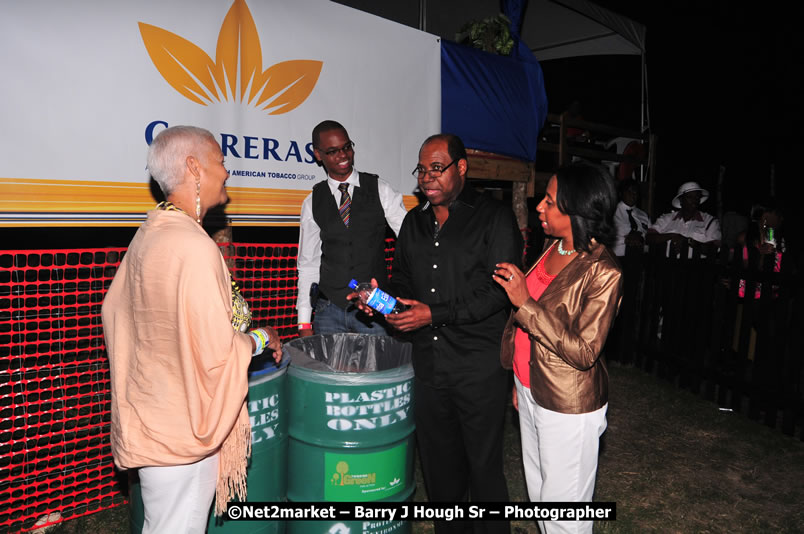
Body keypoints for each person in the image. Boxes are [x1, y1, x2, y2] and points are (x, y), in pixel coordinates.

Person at [101, 126, 282, 533]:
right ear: (193, 167)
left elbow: (115, 312)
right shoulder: (192, 246)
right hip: (183, 429)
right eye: (219, 160)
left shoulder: (151, 232)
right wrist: (261, 337)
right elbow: (217, 347)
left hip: (155, 414)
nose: (226, 171)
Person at [359, 133, 522, 534]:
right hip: (429, 366)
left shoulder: (493, 217)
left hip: (477, 366)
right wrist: (382, 300)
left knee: (483, 469)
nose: (427, 177)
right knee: (439, 468)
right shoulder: (414, 222)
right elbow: (403, 282)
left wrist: (434, 315)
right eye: (422, 169)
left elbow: (498, 293)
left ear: (461, 168)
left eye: (437, 167)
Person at [494, 162, 622, 534]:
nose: (539, 207)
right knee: (541, 496)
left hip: (568, 403)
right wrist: (522, 382)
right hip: (531, 388)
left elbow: (584, 350)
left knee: (565, 513)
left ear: (577, 209)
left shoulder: (604, 272)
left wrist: (524, 303)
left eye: (550, 201)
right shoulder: (554, 246)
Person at [296, 120, 408, 337]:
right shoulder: (312, 202)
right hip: (328, 311)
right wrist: (303, 322)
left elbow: (411, 242)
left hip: (374, 311)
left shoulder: (380, 190)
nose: (343, 155)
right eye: (332, 151)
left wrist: (399, 294)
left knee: (377, 370)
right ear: (318, 155)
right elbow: (308, 264)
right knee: (327, 371)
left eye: (347, 147)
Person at [647, 181, 721, 258]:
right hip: (666, 266)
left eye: (697, 197)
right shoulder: (666, 218)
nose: (695, 200)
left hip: (696, 267)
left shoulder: (710, 221)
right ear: (681, 200)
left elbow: (715, 249)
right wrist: (672, 235)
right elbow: (649, 238)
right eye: (690, 197)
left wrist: (688, 242)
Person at [612, 178, 650, 257]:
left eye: (635, 192)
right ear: (621, 193)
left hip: (640, 259)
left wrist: (641, 237)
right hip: (617, 259)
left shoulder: (643, 215)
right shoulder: (611, 213)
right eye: (629, 191)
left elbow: (651, 236)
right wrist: (625, 240)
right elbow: (604, 236)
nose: (632, 195)